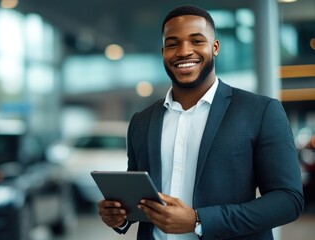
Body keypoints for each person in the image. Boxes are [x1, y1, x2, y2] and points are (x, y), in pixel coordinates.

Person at [97, 5, 304, 240]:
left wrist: (198, 220)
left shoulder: (260, 111)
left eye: (196, 41)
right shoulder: (141, 122)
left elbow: (288, 200)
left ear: (214, 47)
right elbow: (141, 199)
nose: (184, 52)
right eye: (173, 43)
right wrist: (120, 216)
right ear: (163, 50)